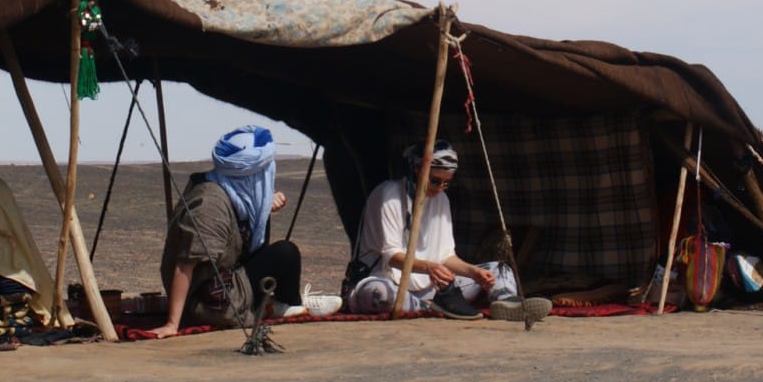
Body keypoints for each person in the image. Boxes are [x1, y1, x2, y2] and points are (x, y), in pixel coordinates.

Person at [146, 125, 340, 337]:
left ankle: (279, 303)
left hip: (226, 278)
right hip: (214, 300)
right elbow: (185, 264)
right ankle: (286, 304)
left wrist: (263, 207)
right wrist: (173, 323)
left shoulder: (232, 192)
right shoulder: (210, 206)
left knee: (265, 223)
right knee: (286, 253)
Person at [343, 139, 550, 322]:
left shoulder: (441, 199)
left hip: (432, 287)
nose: (440, 188)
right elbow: (392, 257)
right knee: (378, 294)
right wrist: (429, 267)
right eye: (435, 181)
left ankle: (507, 302)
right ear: (417, 169)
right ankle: (427, 308)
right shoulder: (388, 195)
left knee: (499, 268)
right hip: (386, 280)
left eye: (446, 183)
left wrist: (473, 272)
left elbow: (446, 256)